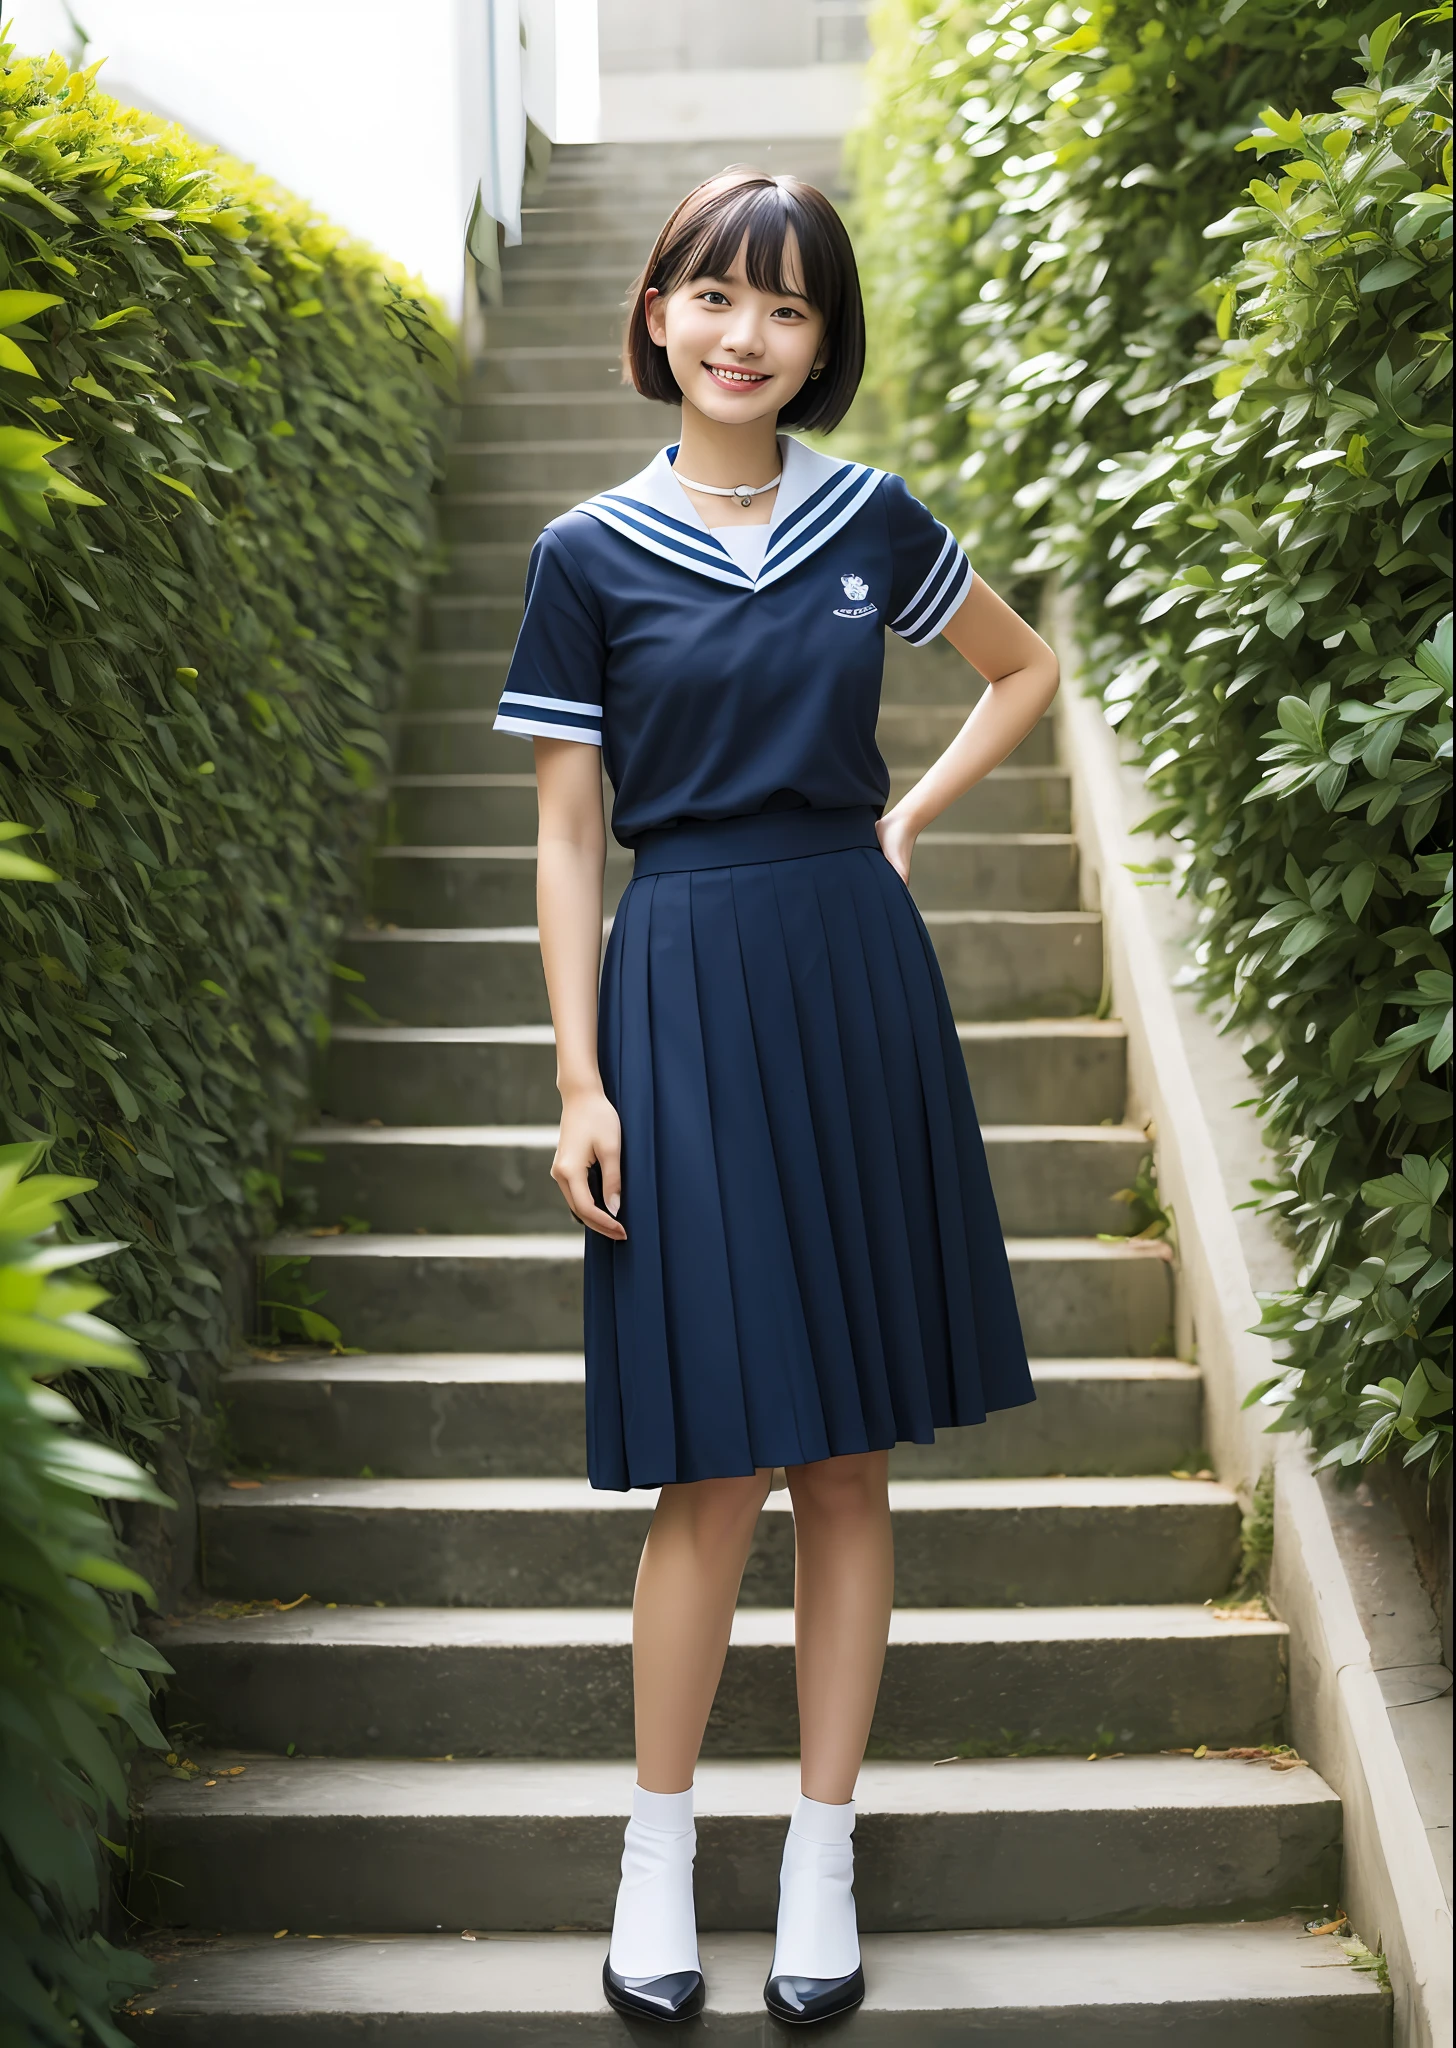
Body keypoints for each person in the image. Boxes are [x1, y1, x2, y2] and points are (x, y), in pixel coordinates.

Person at [492, 168, 1058, 2028]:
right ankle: (657, 1854)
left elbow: (1021, 669)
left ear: (825, 343)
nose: (748, 334)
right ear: (657, 310)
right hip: (682, 978)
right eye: (718, 296)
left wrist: (903, 816)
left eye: (791, 308)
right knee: (711, 1459)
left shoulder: (869, 519)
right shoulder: (583, 554)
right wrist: (580, 1075)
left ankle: (821, 1858)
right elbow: (573, 835)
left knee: (844, 1455)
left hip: (850, 975)